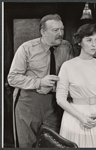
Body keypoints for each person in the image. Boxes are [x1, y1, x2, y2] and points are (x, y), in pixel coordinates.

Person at [7, 14, 74, 148]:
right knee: (26, 144)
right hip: (29, 103)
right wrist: (39, 82)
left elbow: (71, 76)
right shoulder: (26, 48)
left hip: (55, 104)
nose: (60, 34)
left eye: (62, 29)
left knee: (52, 144)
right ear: (43, 32)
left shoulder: (66, 47)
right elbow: (12, 78)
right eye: (55, 30)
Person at [56, 23, 96, 147]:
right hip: (75, 116)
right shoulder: (68, 66)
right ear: (80, 42)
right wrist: (80, 117)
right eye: (89, 40)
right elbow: (60, 99)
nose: (94, 44)